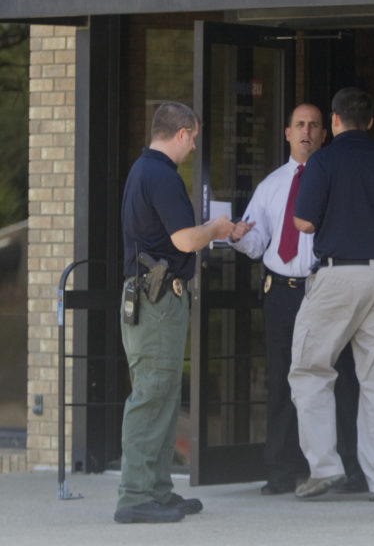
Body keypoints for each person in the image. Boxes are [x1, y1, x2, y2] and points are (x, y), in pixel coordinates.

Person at [288, 87, 374, 501]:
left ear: (333, 122)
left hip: (338, 276)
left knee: (310, 370)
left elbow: (303, 223)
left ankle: (325, 467)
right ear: (370, 121)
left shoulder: (323, 161)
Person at [229, 103, 366, 495]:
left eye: (314, 125)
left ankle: (350, 468)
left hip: (326, 289)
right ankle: (281, 470)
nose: (306, 131)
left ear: (325, 134)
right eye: (299, 125)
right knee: (282, 380)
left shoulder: (338, 181)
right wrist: (239, 237)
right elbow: (258, 243)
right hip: (282, 293)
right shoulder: (270, 186)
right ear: (287, 133)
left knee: (340, 377)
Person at [115, 101, 235, 524]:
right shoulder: (161, 174)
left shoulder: (142, 170)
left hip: (153, 296)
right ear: (181, 133)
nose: (193, 147)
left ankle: (158, 490)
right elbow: (184, 240)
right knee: (151, 394)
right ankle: (135, 496)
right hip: (157, 300)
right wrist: (217, 229)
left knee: (162, 395)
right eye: (193, 138)